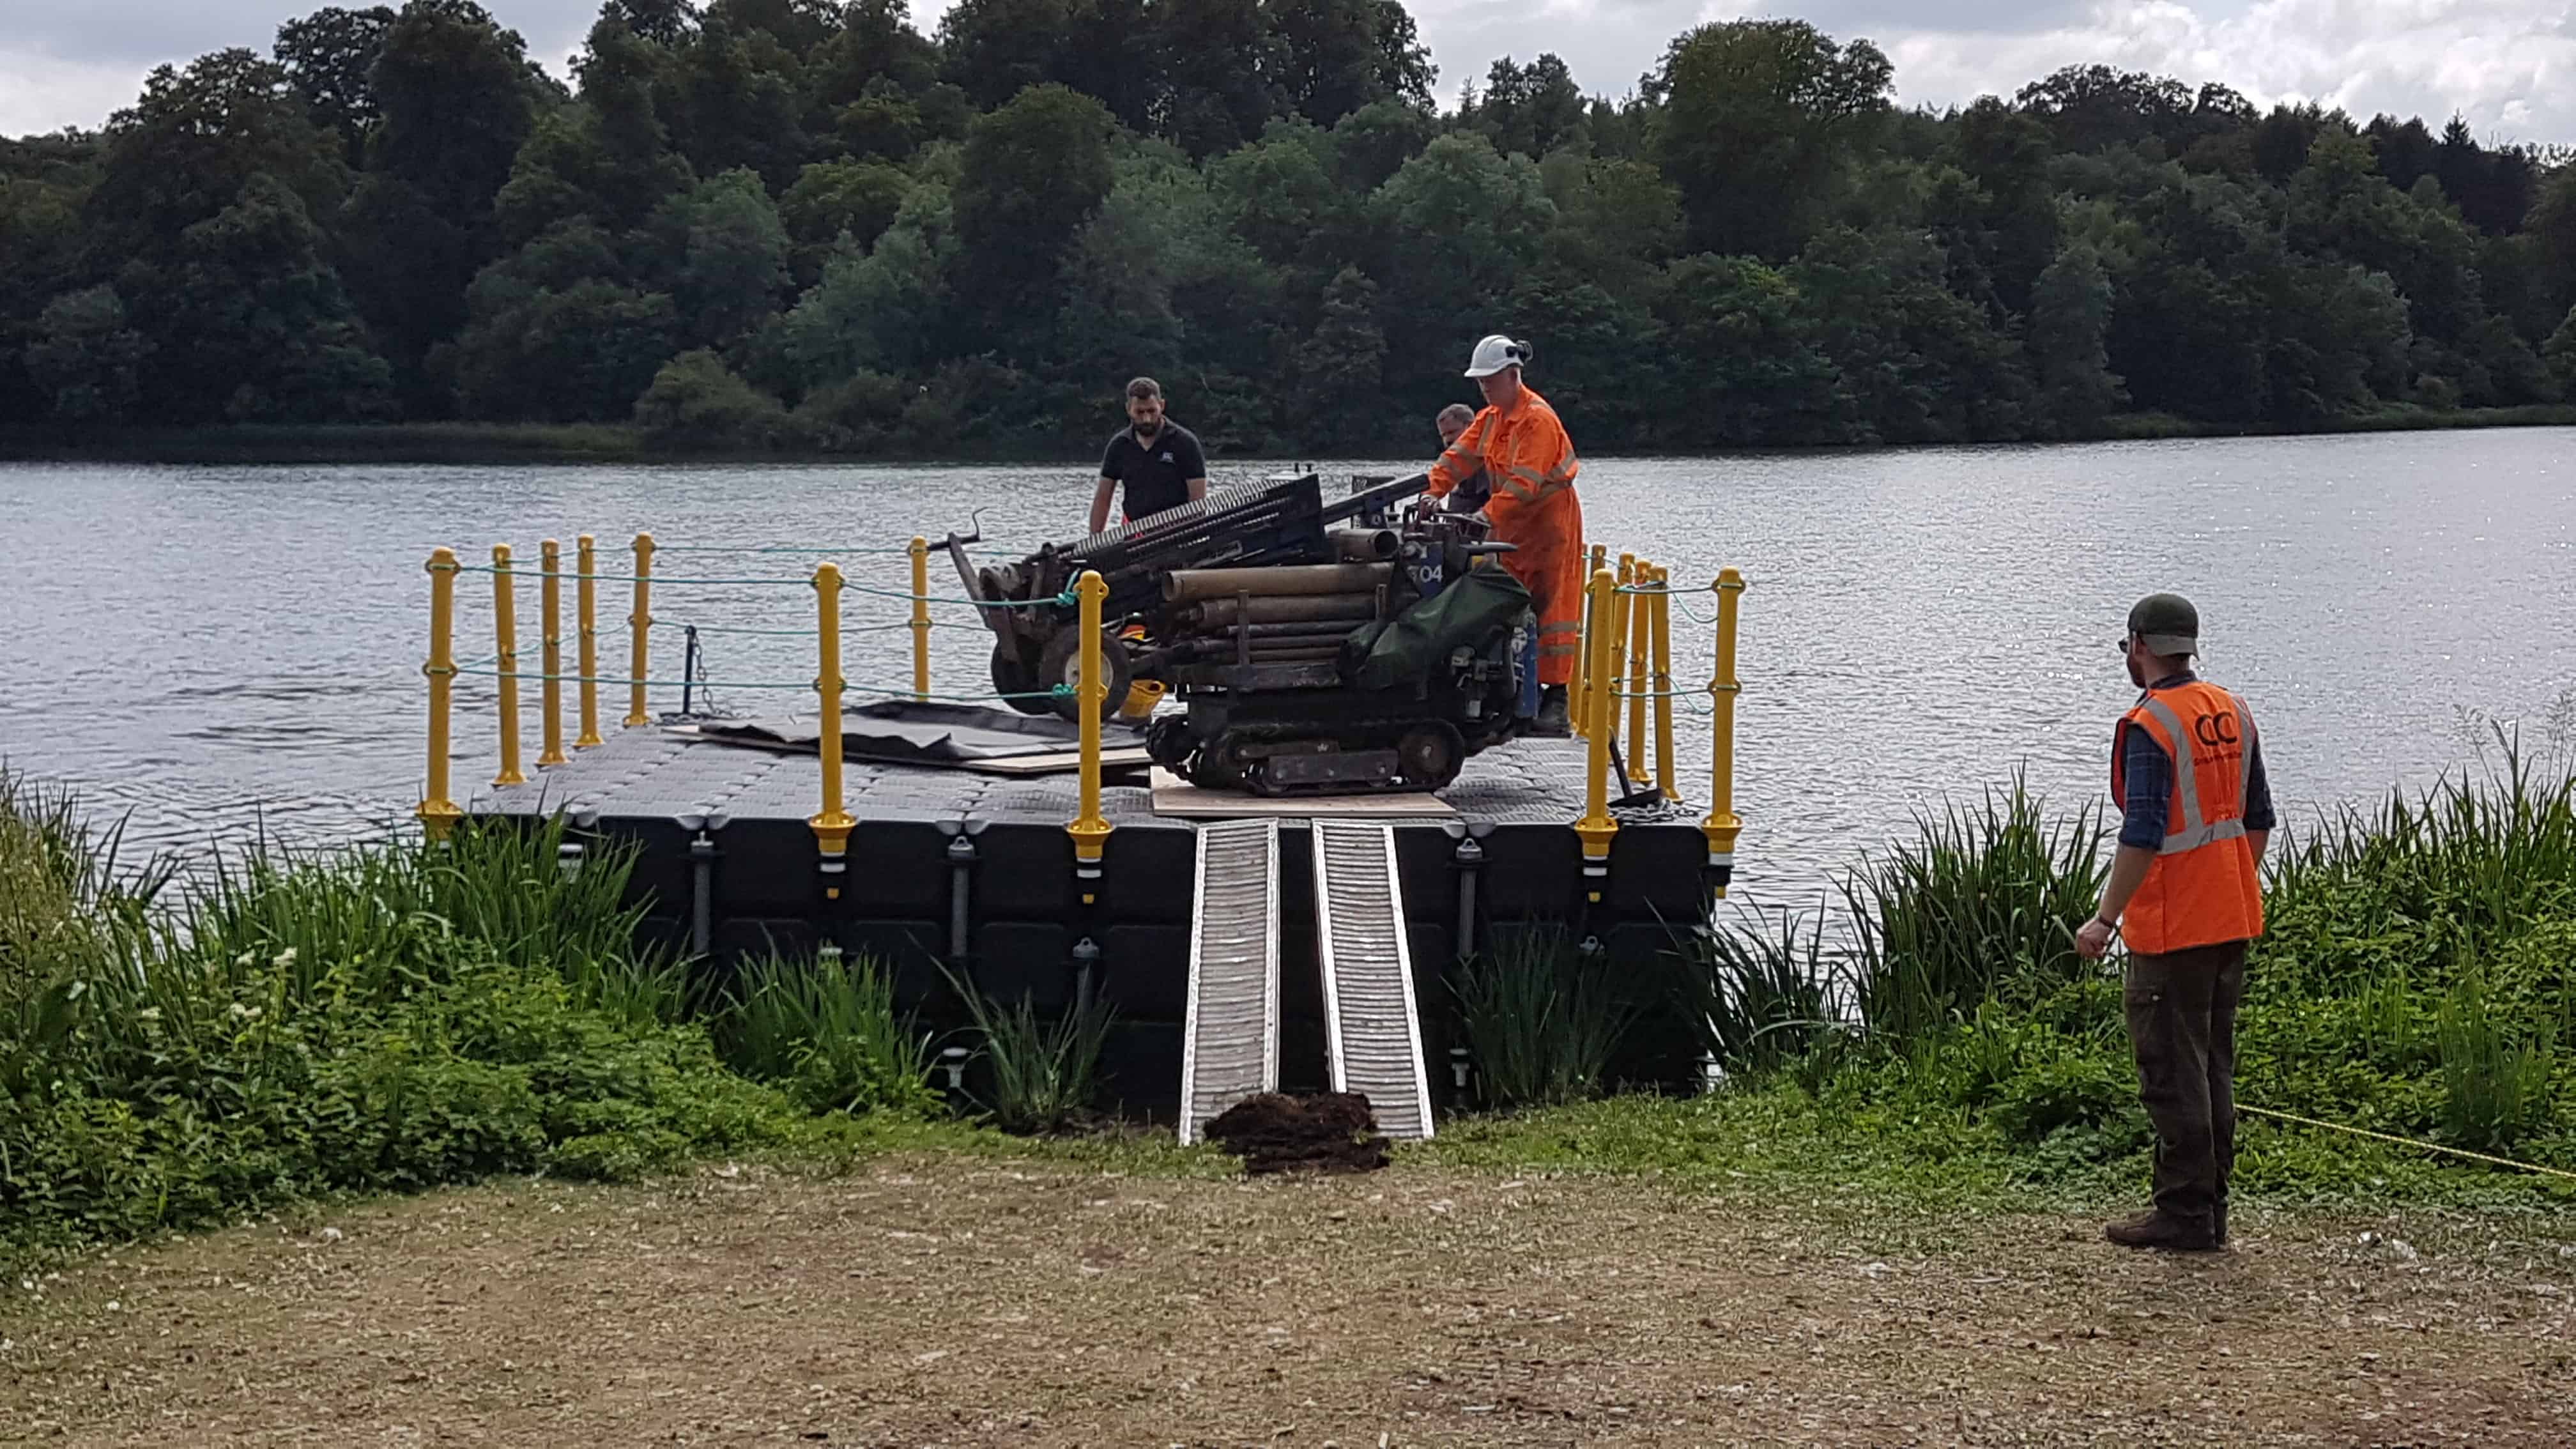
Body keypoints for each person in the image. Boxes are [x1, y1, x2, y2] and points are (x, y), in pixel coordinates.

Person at [2075, 592, 2275, 1253]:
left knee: (2169, 1067)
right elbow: (2257, 820)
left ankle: (2185, 1213)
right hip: (2233, 918)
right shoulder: (2232, 710)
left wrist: (2105, 920)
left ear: (2138, 645)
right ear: (2187, 645)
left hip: (2174, 930)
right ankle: (2209, 1205)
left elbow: (2142, 836)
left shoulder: (2151, 726)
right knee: (2213, 1063)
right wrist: (2231, 887)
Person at [1425, 335, 1583, 735]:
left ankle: (1556, 700)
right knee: (1513, 606)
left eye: (1490, 381)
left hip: (1549, 524)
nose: (1484, 388)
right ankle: (1518, 698)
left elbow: (1524, 483)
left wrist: (1483, 515)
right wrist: (1433, 490)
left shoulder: (1538, 420)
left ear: (1513, 375)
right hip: (1514, 526)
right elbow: (1459, 456)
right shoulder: (1492, 418)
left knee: (1552, 608)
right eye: (1480, 382)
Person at [1089, 376, 1207, 535]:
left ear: (1162, 406)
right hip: (1134, 531)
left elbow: (1198, 502)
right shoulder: (1119, 446)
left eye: (1152, 411)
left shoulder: (1185, 444)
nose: (1146, 419)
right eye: (1140, 412)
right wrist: (1094, 539)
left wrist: (1194, 536)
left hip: (1177, 531)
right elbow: (1103, 499)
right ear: (1128, 409)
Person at [1434, 403, 1489, 514]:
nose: (1447, 440)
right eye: (1443, 435)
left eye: (1451, 432)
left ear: (1471, 427)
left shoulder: (1488, 460)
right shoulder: (1451, 462)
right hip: (1457, 524)